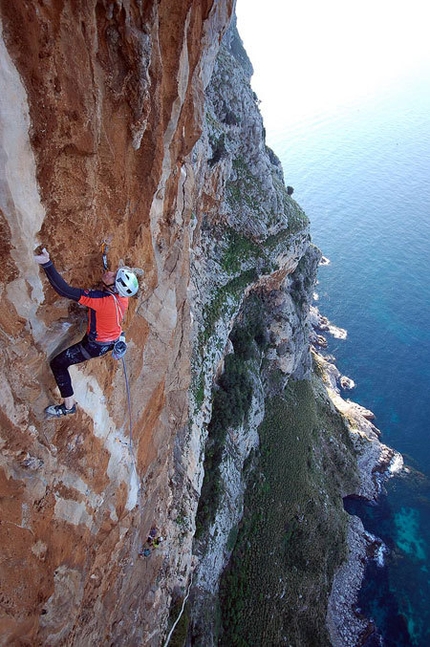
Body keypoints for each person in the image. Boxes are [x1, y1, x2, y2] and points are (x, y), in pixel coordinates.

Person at [35, 247, 139, 417]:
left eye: (113, 276)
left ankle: (68, 406)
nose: (110, 273)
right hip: (111, 339)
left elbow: (64, 290)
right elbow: (111, 284)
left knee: (58, 364)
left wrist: (47, 263)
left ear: (114, 288)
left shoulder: (101, 301)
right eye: (114, 272)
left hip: (95, 346)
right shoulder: (122, 297)